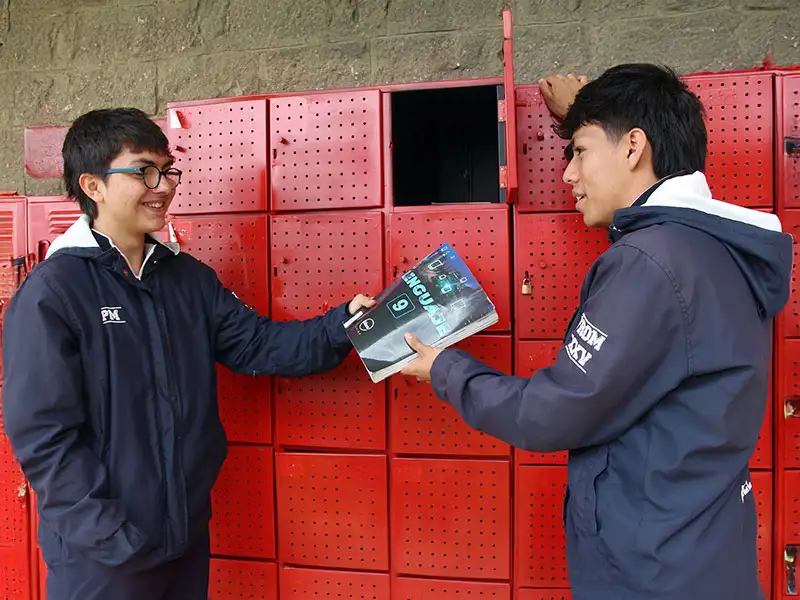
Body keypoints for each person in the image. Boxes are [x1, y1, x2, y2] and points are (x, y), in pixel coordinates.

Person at [401, 64, 792, 599]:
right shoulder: (712, 249)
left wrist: (445, 369)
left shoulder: (650, 264)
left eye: (579, 152)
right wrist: (585, 119)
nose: (568, 175)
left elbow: (554, 412)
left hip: (651, 575)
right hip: (701, 554)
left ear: (633, 147)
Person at [1, 107, 375, 600]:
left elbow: (260, 345)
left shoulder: (187, 279)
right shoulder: (56, 291)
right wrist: (110, 536)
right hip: (101, 557)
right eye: (143, 172)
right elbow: (42, 435)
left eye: (167, 170)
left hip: (183, 537)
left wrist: (347, 323)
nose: (163, 187)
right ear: (93, 186)